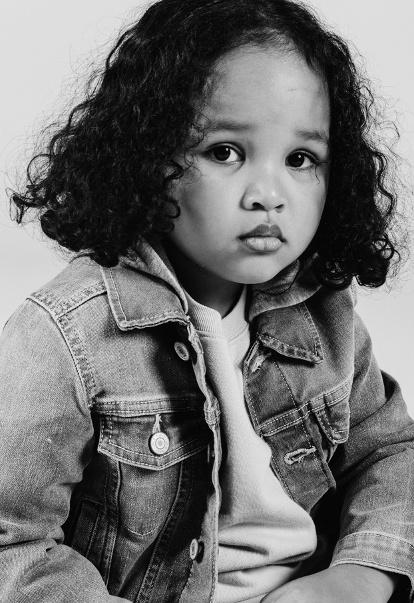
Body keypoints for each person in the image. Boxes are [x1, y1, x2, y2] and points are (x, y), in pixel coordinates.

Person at [1, 0, 413, 601]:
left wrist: (361, 576)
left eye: (300, 159)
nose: (268, 194)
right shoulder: (66, 336)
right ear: (147, 157)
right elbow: (12, 541)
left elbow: (392, 455)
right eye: (224, 151)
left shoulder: (323, 314)